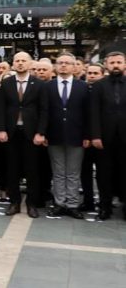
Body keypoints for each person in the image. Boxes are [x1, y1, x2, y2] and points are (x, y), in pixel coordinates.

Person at [0, 51, 48, 218]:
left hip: (31, 134)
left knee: (32, 170)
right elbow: (0, 108)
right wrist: (1, 129)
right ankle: (14, 203)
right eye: (17, 60)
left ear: (30, 63)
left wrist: (41, 132)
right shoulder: (6, 83)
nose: (20, 63)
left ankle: (31, 204)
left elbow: (44, 111)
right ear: (13, 64)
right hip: (11, 133)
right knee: (12, 169)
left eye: (23, 61)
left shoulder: (39, 84)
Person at [45, 53, 88, 219]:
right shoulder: (48, 87)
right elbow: (45, 112)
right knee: (58, 171)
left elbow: (87, 113)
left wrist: (87, 135)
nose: (63, 66)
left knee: (73, 172)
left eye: (67, 63)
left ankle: (72, 204)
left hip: (76, 136)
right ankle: (59, 203)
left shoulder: (82, 86)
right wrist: (43, 132)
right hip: (53, 135)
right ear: (56, 66)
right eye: (60, 63)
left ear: (74, 66)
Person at [89, 51, 126, 220]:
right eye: (112, 63)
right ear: (106, 65)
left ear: (124, 64)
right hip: (104, 138)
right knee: (104, 173)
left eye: (119, 62)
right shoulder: (98, 86)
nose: (116, 65)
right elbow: (94, 113)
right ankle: (104, 207)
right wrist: (95, 136)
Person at [80, 63, 105, 211]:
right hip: (84, 140)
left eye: (96, 73)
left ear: (102, 74)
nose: (92, 75)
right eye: (90, 73)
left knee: (102, 174)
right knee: (85, 173)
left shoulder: (105, 90)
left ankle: (103, 202)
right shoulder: (82, 90)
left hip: (101, 139)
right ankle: (88, 201)